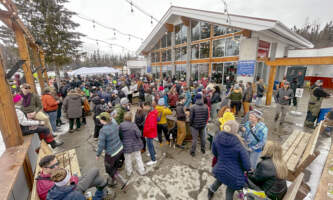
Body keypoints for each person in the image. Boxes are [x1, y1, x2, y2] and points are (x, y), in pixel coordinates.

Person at [208, 120, 251, 200]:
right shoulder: (239, 144)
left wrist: (222, 158)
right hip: (234, 174)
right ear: (235, 130)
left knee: (219, 180)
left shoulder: (217, 137)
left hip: (220, 168)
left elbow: (214, 152)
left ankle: (210, 191)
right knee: (230, 190)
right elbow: (247, 165)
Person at [37, 155, 112, 200]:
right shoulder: (47, 185)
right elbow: (71, 187)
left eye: (57, 163)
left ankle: (104, 193)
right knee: (95, 172)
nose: (57, 166)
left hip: (65, 191)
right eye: (54, 166)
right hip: (72, 190)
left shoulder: (51, 181)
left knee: (98, 178)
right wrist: (73, 178)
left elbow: (63, 185)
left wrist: (72, 178)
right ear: (45, 168)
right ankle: (103, 193)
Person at [96, 112, 128, 190]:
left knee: (109, 168)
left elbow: (101, 145)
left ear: (103, 120)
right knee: (115, 165)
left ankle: (121, 181)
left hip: (111, 153)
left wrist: (98, 154)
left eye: (100, 119)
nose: (99, 120)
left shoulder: (103, 131)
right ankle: (112, 181)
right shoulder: (114, 124)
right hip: (120, 149)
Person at [119, 112, 146, 177]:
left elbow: (119, 135)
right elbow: (139, 134)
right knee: (138, 158)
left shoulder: (121, 125)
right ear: (131, 118)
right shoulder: (133, 125)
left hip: (126, 145)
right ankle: (142, 171)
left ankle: (129, 172)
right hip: (135, 144)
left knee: (127, 159)